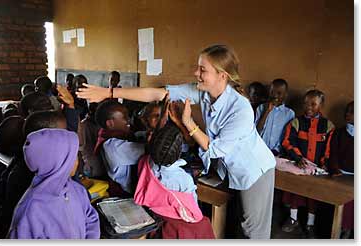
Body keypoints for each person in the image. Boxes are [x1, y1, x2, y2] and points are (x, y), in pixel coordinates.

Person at [76, 44, 276, 239]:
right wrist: (109, 93)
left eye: (202, 69)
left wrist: (188, 122)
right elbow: (158, 93)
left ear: (222, 75)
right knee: (237, 219)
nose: (196, 73)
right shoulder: (204, 93)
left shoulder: (240, 109)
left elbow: (214, 149)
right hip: (230, 168)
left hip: (253, 171)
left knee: (253, 229)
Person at [8, 128, 100, 239]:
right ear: (59, 162)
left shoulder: (76, 189)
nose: (78, 161)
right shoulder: (31, 210)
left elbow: (91, 218)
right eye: (74, 156)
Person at [134, 123, 214, 239]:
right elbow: (193, 210)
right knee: (203, 223)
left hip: (156, 214)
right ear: (179, 152)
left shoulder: (146, 162)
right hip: (176, 225)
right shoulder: (183, 179)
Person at [281, 89, 335, 238]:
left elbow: (329, 148)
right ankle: (293, 218)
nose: (309, 107)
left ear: (321, 105)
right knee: (294, 191)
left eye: (314, 104)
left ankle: (310, 223)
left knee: (313, 195)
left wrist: (324, 163)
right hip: (299, 164)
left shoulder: (328, 126)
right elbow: (287, 142)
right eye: (306, 104)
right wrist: (298, 158)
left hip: (316, 168)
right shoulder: (296, 122)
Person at [94, 99, 145, 196]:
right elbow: (150, 150)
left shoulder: (115, 136)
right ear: (110, 123)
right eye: (124, 117)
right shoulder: (113, 146)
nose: (128, 120)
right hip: (125, 193)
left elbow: (138, 135)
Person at [328, 101, 354, 238]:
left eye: (352, 112)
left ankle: (349, 229)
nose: (347, 114)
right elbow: (333, 154)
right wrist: (335, 169)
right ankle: (341, 229)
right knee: (340, 199)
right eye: (347, 111)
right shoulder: (339, 133)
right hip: (340, 173)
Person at [255, 78, 295, 156]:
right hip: (259, 150)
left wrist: (276, 150)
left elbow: (287, 136)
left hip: (278, 153)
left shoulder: (289, 114)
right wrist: (267, 111)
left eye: (279, 93)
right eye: (272, 92)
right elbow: (256, 130)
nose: (275, 96)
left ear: (285, 95)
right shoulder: (261, 108)